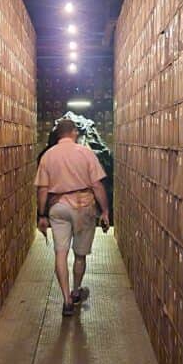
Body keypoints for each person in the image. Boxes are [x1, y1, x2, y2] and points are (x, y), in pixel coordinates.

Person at [34, 119, 110, 316]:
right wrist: (105, 211)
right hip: (83, 205)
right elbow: (97, 186)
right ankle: (76, 291)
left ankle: (66, 299)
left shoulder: (48, 156)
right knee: (80, 254)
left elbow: (42, 189)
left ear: (58, 134)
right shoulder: (85, 153)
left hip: (58, 207)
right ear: (74, 132)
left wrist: (41, 215)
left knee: (60, 253)